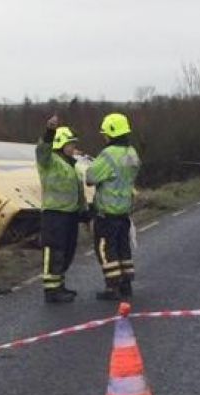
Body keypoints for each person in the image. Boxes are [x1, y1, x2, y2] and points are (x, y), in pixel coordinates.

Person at [86, 113, 141, 301]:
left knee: (105, 249)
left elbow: (90, 178)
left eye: (105, 133)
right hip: (124, 212)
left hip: (107, 213)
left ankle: (112, 287)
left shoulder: (108, 154)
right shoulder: (132, 152)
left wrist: (88, 165)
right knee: (123, 248)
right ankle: (126, 284)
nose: (104, 137)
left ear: (111, 132)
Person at [35, 115, 87, 304]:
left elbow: (78, 191)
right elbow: (42, 151)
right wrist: (49, 132)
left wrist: (84, 211)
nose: (74, 147)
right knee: (54, 251)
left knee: (67, 250)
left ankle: (60, 285)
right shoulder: (50, 161)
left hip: (70, 214)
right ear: (61, 144)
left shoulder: (71, 165)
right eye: (71, 144)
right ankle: (51, 290)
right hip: (54, 214)